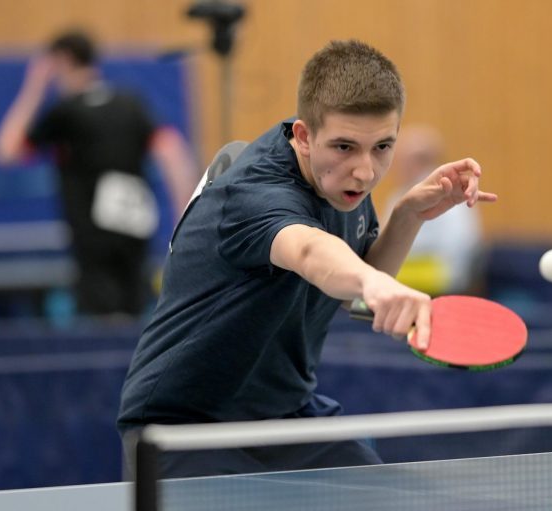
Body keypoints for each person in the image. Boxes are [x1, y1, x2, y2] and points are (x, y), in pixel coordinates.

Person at [117, 40, 496, 477]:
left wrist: (407, 216)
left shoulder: (342, 186)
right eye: (344, 147)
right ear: (303, 136)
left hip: (285, 414)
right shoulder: (254, 193)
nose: (365, 171)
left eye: (382, 146)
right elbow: (308, 250)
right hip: (183, 425)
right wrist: (373, 283)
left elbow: (353, 294)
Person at [0, 29, 197, 318]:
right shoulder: (130, 103)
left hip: (92, 238)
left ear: (63, 61)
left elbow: (5, 151)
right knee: (134, 315)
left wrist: (33, 87)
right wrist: (184, 217)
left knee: (104, 322)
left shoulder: (65, 113)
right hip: (135, 230)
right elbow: (173, 152)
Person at [384, 125, 484, 295]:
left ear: (422, 162)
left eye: (403, 160)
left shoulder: (452, 195)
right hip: (404, 276)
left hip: (442, 283)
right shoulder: (398, 195)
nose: (397, 167)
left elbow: (459, 248)